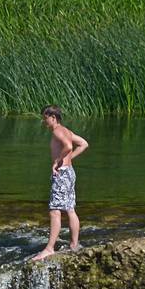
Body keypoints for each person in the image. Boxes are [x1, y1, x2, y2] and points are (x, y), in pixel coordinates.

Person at [31, 105, 89, 261]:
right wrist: (69, 159)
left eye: (45, 118)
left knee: (55, 210)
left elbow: (69, 146)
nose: (44, 122)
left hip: (62, 174)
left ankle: (49, 249)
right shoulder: (66, 131)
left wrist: (58, 161)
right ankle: (74, 245)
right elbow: (83, 143)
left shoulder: (57, 131)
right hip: (70, 172)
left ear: (53, 117)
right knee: (70, 209)